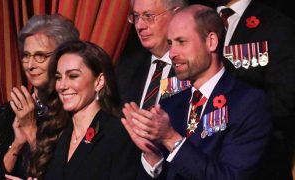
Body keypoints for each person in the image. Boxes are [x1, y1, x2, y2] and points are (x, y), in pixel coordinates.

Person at [122, 5, 271, 179]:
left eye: (181, 42)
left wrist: (171, 139)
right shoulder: (170, 105)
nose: (172, 53)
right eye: (170, 43)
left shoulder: (248, 102)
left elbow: (230, 176)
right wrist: (152, 155)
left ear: (211, 41)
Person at [0, 14, 80, 179]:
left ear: (63, 57)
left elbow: (62, 174)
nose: (30, 65)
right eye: (26, 56)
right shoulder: (8, 112)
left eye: (40, 56)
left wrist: (30, 129)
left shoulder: (74, 113)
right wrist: (17, 145)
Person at [28, 40, 140, 179]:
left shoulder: (118, 134)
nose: (62, 86)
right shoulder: (55, 132)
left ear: (99, 82)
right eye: (58, 77)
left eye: (73, 76)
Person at [212, 0, 295, 178]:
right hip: (200, 159)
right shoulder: (197, 19)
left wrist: (225, 118)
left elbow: (285, 99)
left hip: (256, 162)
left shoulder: (275, 24)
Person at [115, 0, 187, 110]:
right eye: (136, 16)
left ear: (176, 15)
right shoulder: (127, 67)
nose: (139, 26)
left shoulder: (196, 66)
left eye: (148, 16)